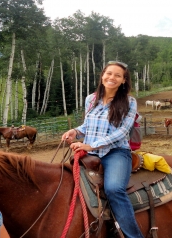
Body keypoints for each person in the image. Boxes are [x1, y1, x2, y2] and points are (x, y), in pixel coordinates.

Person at [62, 61, 143, 238]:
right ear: (102, 75)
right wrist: (75, 132)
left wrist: (92, 145)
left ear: (123, 80)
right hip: (89, 152)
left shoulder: (129, 102)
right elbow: (87, 125)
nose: (111, 77)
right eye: (109, 73)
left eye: (117, 75)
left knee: (114, 189)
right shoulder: (91, 99)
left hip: (116, 152)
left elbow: (123, 131)